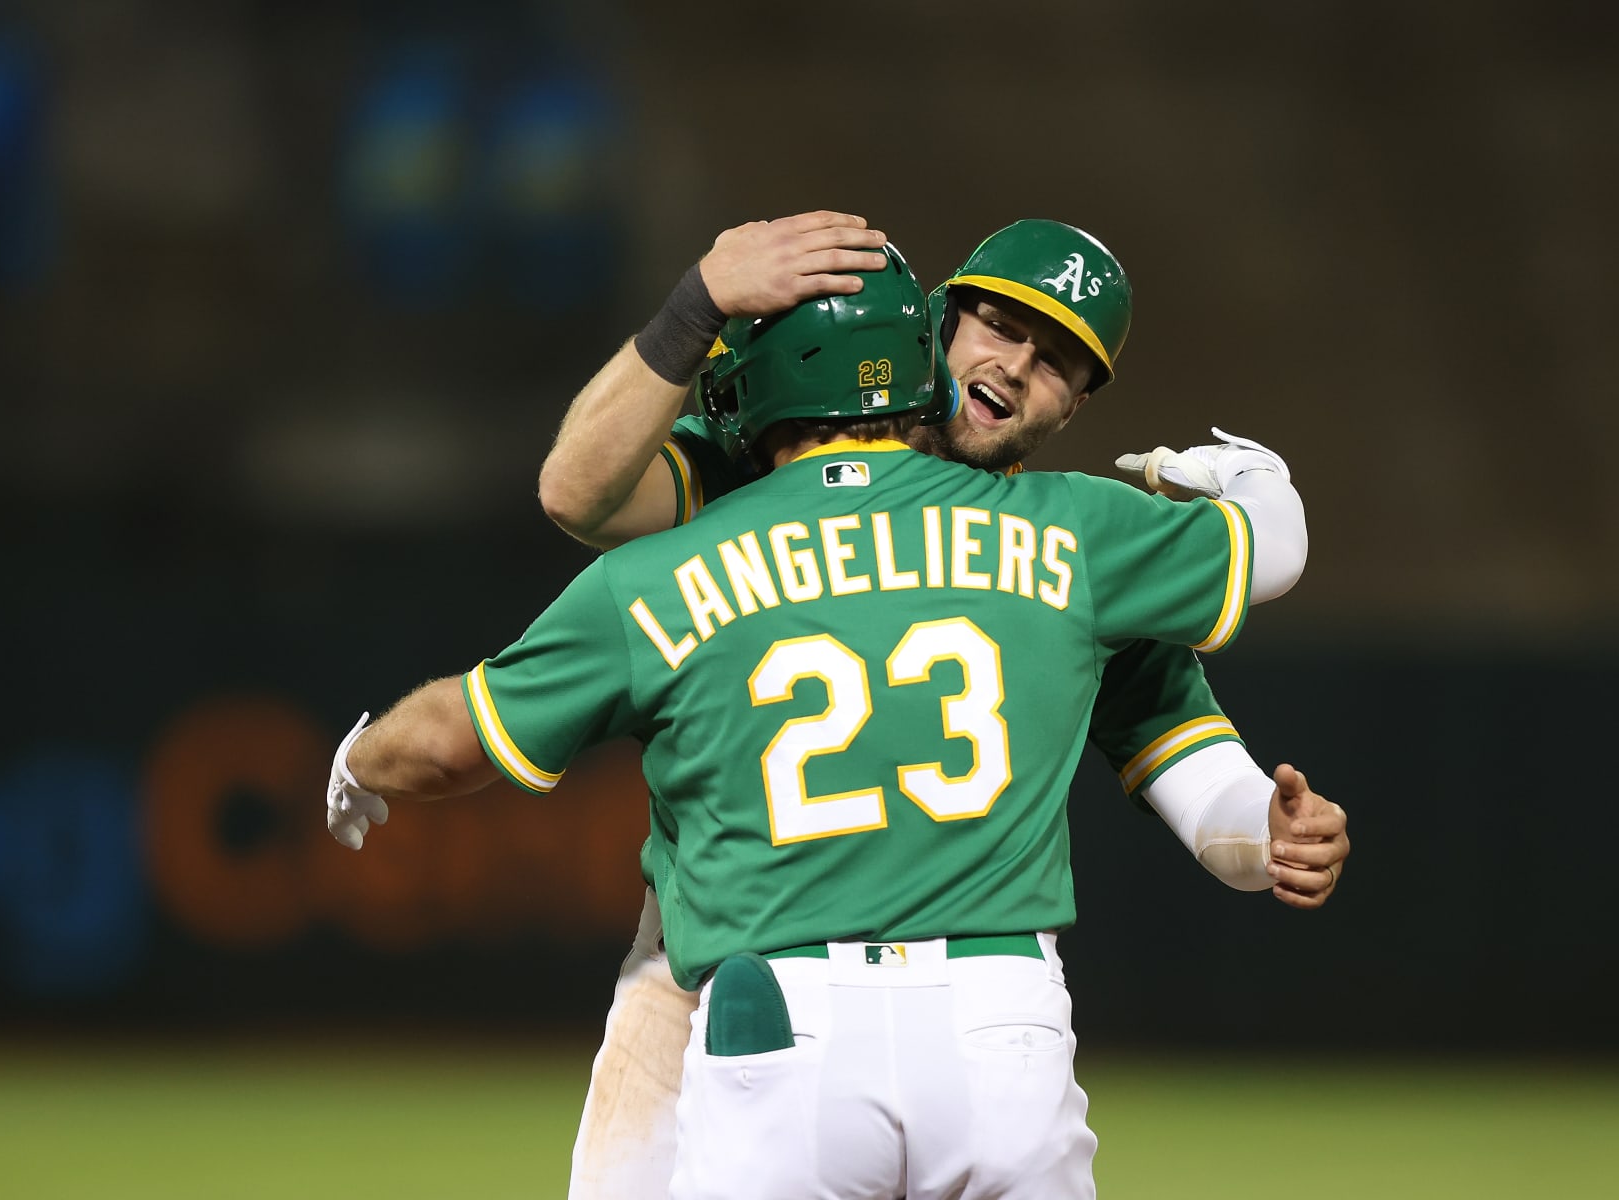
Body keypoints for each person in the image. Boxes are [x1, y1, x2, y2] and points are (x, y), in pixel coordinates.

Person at [325, 245, 1343, 1199]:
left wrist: (1268, 833)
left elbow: (1196, 769)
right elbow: (579, 489)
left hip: (772, 1007)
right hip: (821, 993)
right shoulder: (1074, 542)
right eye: (995, 322)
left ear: (1074, 403)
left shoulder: (740, 520)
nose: (1014, 366)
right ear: (930, 329)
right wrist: (1251, 480)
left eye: (1059, 363)